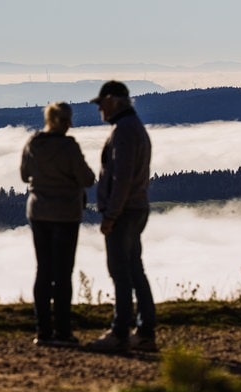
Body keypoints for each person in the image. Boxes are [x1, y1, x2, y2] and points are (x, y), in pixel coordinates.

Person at [85, 81, 158, 353]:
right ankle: (145, 331)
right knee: (134, 269)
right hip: (136, 208)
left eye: (101, 102)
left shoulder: (124, 131)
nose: (99, 108)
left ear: (113, 101)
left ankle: (120, 332)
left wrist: (111, 215)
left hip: (125, 212)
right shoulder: (132, 128)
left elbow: (122, 178)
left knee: (121, 272)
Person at [20, 101, 95, 347]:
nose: (70, 124)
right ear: (59, 121)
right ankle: (62, 331)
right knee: (63, 273)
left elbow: (23, 175)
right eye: (67, 120)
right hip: (65, 214)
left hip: (39, 211)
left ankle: (43, 331)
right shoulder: (69, 147)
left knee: (43, 271)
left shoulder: (33, 143)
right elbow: (87, 178)